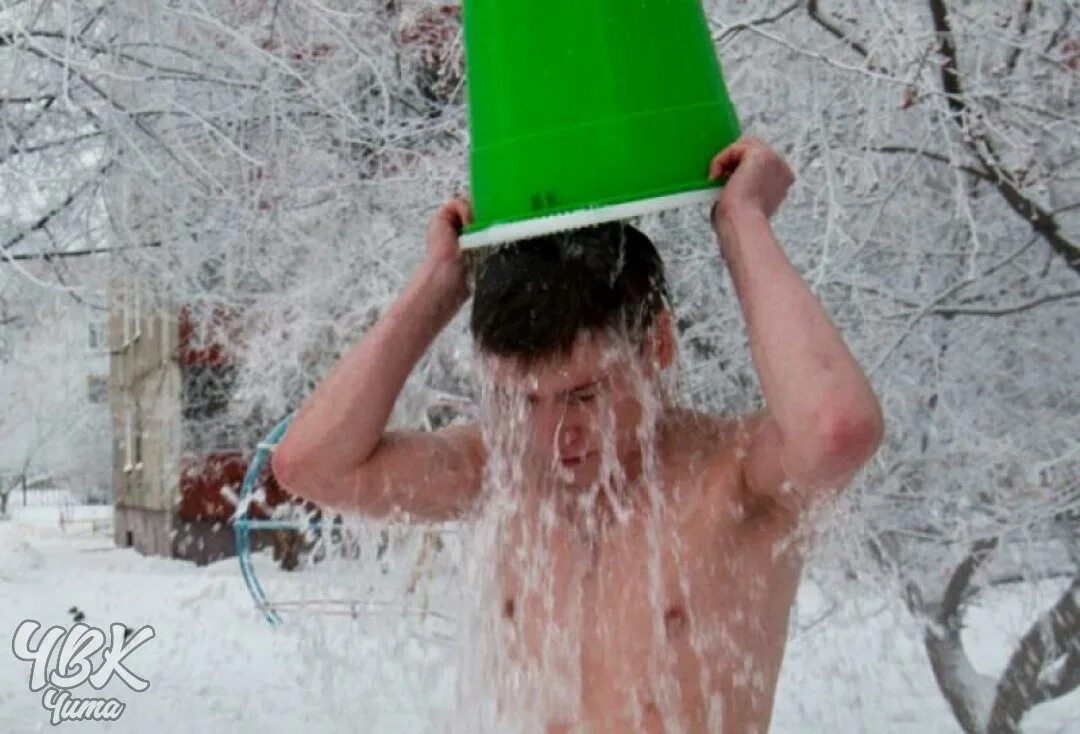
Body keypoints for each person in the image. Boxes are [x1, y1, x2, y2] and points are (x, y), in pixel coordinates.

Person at [272, 136, 885, 733]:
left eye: (584, 395)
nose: (553, 434)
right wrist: (438, 285)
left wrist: (743, 223)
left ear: (659, 345)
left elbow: (836, 430)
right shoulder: (500, 470)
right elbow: (311, 466)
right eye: (523, 399)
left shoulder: (735, 480)